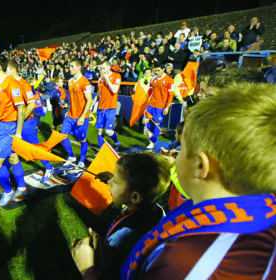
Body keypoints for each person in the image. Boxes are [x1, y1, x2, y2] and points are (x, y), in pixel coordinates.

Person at [73, 76, 276, 280]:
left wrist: (90, 270)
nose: (172, 156)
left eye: (182, 149)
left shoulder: (192, 263)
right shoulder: (229, 208)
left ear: (201, 166)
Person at [71, 152, 170, 278]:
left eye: (116, 181)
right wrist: (115, 183)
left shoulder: (124, 236)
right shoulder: (156, 209)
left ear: (134, 197)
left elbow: (110, 264)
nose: (110, 183)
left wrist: (87, 264)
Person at [7, 59, 54, 186]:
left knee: (34, 148)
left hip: (26, 122)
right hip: (14, 122)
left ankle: (49, 167)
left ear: (12, 70)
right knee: (9, 148)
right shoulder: (10, 83)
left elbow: (32, 104)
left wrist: (20, 121)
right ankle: (5, 176)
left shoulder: (24, 84)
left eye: (6, 70)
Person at [0, 54, 26, 207]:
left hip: (11, 128)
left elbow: (21, 108)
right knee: (13, 159)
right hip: (2, 127)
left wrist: (18, 132)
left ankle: (8, 190)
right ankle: (22, 187)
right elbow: (0, 109)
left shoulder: (11, 83)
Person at [61, 59, 93, 168]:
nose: (70, 68)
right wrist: (69, 110)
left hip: (81, 117)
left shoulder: (85, 82)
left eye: (72, 66)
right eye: (70, 66)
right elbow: (72, 99)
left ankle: (82, 160)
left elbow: (89, 100)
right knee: (62, 135)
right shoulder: (70, 81)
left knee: (82, 139)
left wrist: (83, 116)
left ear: (79, 67)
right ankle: (71, 156)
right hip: (70, 115)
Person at [145, 63, 174, 149]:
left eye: (158, 70)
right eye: (155, 71)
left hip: (160, 106)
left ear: (163, 69)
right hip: (150, 104)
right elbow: (150, 91)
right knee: (145, 122)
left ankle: (152, 142)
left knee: (157, 124)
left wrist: (167, 106)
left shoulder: (169, 80)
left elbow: (170, 95)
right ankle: (153, 139)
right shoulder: (153, 78)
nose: (156, 72)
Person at [96, 60, 121, 151]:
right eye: (100, 69)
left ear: (108, 67)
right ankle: (101, 149)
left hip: (110, 107)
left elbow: (114, 90)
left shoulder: (116, 76)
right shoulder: (100, 79)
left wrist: (106, 78)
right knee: (99, 130)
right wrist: (93, 103)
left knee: (108, 131)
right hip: (101, 107)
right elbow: (99, 93)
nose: (101, 70)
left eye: (103, 68)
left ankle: (116, 142)